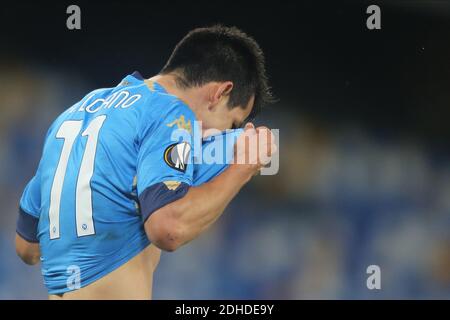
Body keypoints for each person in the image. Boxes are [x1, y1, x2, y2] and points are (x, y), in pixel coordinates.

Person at [15, 25, 277, 299]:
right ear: (220, 93)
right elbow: (169, 229)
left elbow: (27, 246)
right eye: (232, 123)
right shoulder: (171, 111)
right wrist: (242, 167)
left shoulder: (75, 113)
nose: (223, 135)